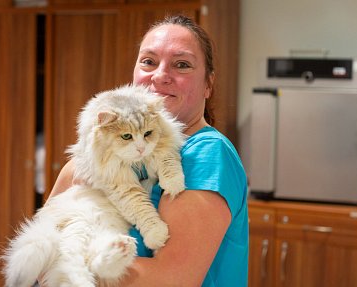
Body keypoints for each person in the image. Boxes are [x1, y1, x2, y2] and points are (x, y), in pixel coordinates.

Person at [47, 15, 249, 287]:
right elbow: (40, 244)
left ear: (208, 85)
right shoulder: (97, 149)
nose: (160, 75)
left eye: (182, 64)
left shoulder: (206, 154)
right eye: (149, 61)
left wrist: (68, 270)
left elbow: (170, 279)